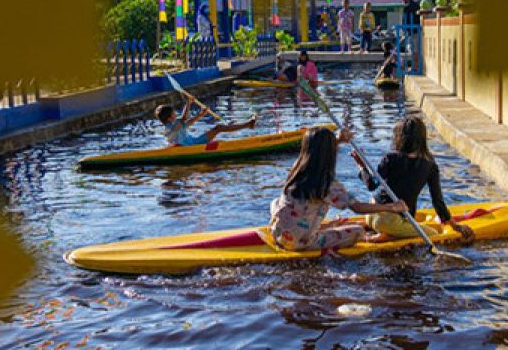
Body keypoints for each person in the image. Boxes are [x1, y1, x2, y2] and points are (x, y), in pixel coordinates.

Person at [270, 126, 406, 252]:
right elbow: (357, 207)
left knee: (278, 202)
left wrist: (339, 140)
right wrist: (392, 207)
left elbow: (317, 150)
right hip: (299, 243)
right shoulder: (327, 184)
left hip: (277, 233)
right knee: (358, 231)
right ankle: (365, 237)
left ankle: (321, 228)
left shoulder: (297, 168)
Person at [359, 115, 475, 241]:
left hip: (371, 212)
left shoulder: (389, 158)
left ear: (399, 138)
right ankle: (377, 238)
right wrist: (455, 225)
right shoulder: (430, 165)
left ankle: (366, 226)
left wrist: (361, 167)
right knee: (433, 233)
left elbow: (371, 184)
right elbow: (438, 202)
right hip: (388, 222)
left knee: (383, 221)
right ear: (422, 139)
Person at [156, 100, 255, 147]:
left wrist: (201, 114)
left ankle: (248, 125)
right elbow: (184, 118)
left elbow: (188, 122)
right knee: (218, 128)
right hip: (192, 146)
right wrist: (188, 104)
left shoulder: (175, 125)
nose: (175, 113)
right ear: (169, 118)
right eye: (173, 113)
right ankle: (247, 125)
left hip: (194, 141)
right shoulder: (170, 128)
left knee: (218, 128)